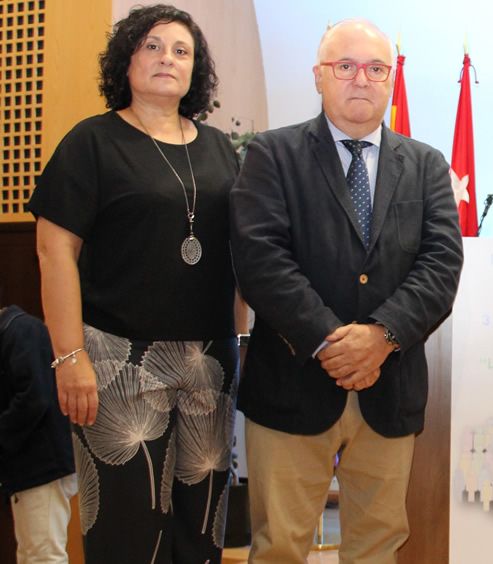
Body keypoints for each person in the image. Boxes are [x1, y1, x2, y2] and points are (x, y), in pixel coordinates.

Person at [229, 18, 463, 563]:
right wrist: (331, 342)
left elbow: (441, 264)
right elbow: (261, 259)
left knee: (377, 548)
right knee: (280, 548)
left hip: (389, 387)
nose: (362, 79)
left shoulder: (426, 165)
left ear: (390, 80)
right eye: (346, 66)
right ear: (319, 76)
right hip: (292, 385)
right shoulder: (272, 155)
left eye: (376, 68)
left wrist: (381, 336)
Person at [27, 4, 242, 562]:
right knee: (128, 534)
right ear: (126, 60)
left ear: (196, 70)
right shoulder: (91, 142)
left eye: (181, 51)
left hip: (209, 363)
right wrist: (69, 356)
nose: (167, 58)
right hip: (115, 362)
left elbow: (245, 253)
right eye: (152, 46)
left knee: (202, 532)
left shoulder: (221, 148)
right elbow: (54, 252)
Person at [1, 303, 76, 564]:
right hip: (27, 468)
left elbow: (35, 398)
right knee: (31, 555)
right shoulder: (13, 331)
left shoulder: (21, 330)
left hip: (42, 465)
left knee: (42, 556)